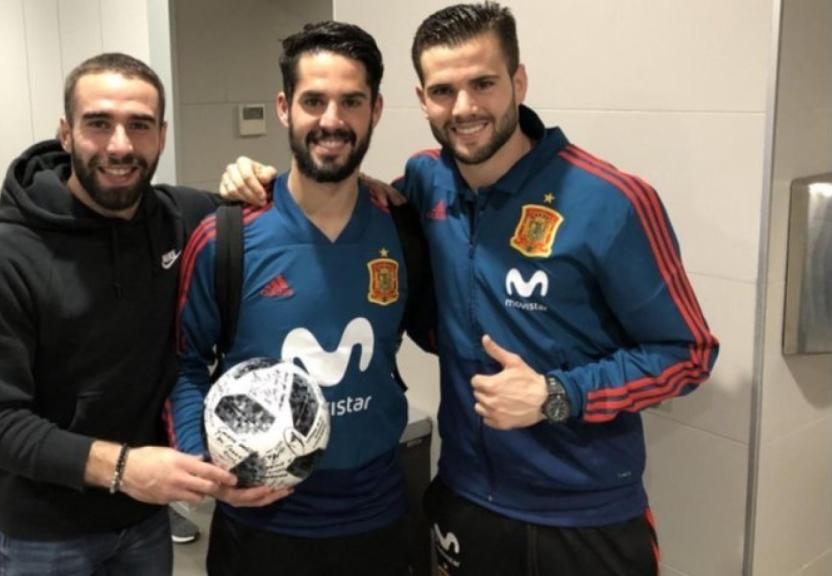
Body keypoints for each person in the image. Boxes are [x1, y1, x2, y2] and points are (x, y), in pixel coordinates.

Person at [220, 3, 720, 575]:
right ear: (421, 98)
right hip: (463, 499)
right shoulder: (426, 184)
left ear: (519, 81)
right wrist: (258, 180)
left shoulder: (611, 199)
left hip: (586, 517)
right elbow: (345, 201)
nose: (464, 108)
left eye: (483, 83)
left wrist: (560, 393)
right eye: (443, 90)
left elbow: (688, 354)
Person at [0, 52, 261, 575]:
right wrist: (122, 468)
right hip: (44, 534)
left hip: (143, 523)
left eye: (139, 126)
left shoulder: (179, 218)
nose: (120, 145)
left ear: (161, 135)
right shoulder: (1, 260)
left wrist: (252, 177)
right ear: (66, 133)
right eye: (99, 123)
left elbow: (276, 212)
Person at [169, 21, 432, 576]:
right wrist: (206, 465)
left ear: (376, 110)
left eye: (350, 101)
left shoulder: (404, 229)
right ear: (285, 108)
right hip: (262, 526)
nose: (331, 121)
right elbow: (184, 365)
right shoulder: (227, 237)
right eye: (314, 101)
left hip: (379, 516)